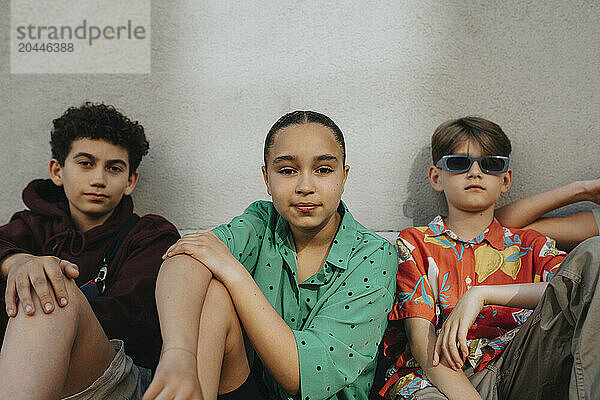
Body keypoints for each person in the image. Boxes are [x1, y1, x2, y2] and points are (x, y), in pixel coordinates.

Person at [143, 111, 398, 400]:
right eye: (287, 171)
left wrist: (235, 274)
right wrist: (179, 353)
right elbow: (186, 255)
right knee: (213, 295)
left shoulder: (373, 255)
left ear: (343, 177)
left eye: (323, 170)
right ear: (266, 178)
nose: (305, 186)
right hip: (250, 390)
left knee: (222, 283)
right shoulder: (261, 222)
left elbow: (301, 377)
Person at [378, 116, 600, 399]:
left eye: (490, 164)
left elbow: (580, 287)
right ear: (436, 177)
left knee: (595, 253)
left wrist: (481, 294)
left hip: (519, 368)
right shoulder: (415, 242)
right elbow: (423, 346)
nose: (475, 172)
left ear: (505, 179)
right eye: (459, 163)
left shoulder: (531, 245)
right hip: (437, 380)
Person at [0, 103, 180, 400]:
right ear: (57, 171)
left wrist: (49, 296)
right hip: (22, 369)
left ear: (130, 181)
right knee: (41, 278)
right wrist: (19, 262)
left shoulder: (151, 236)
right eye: (86, 163)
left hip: (113, 377)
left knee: (52, 290)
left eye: (114, 168)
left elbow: (130, 322)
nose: (99, 179)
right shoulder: (31, 225)